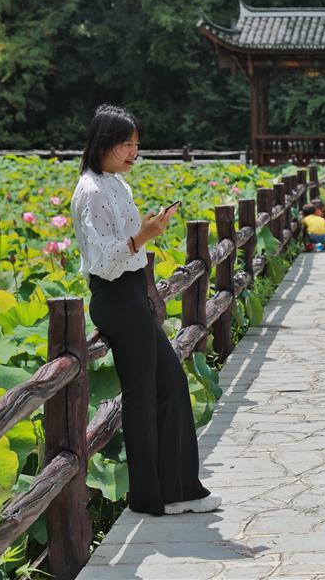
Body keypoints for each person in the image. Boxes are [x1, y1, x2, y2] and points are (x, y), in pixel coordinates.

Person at [71, 104, 220, 516]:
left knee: (167, 385)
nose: (134, 152)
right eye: (127, 144)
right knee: (145, 395)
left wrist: (145, 234)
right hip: (116, 297)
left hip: (132, 293)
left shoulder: (116, 183)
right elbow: (102, 261)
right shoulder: (92, 191)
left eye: (137, 144)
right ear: (104, 143)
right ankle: (154, 497)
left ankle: (176, 489)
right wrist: (143, 238)